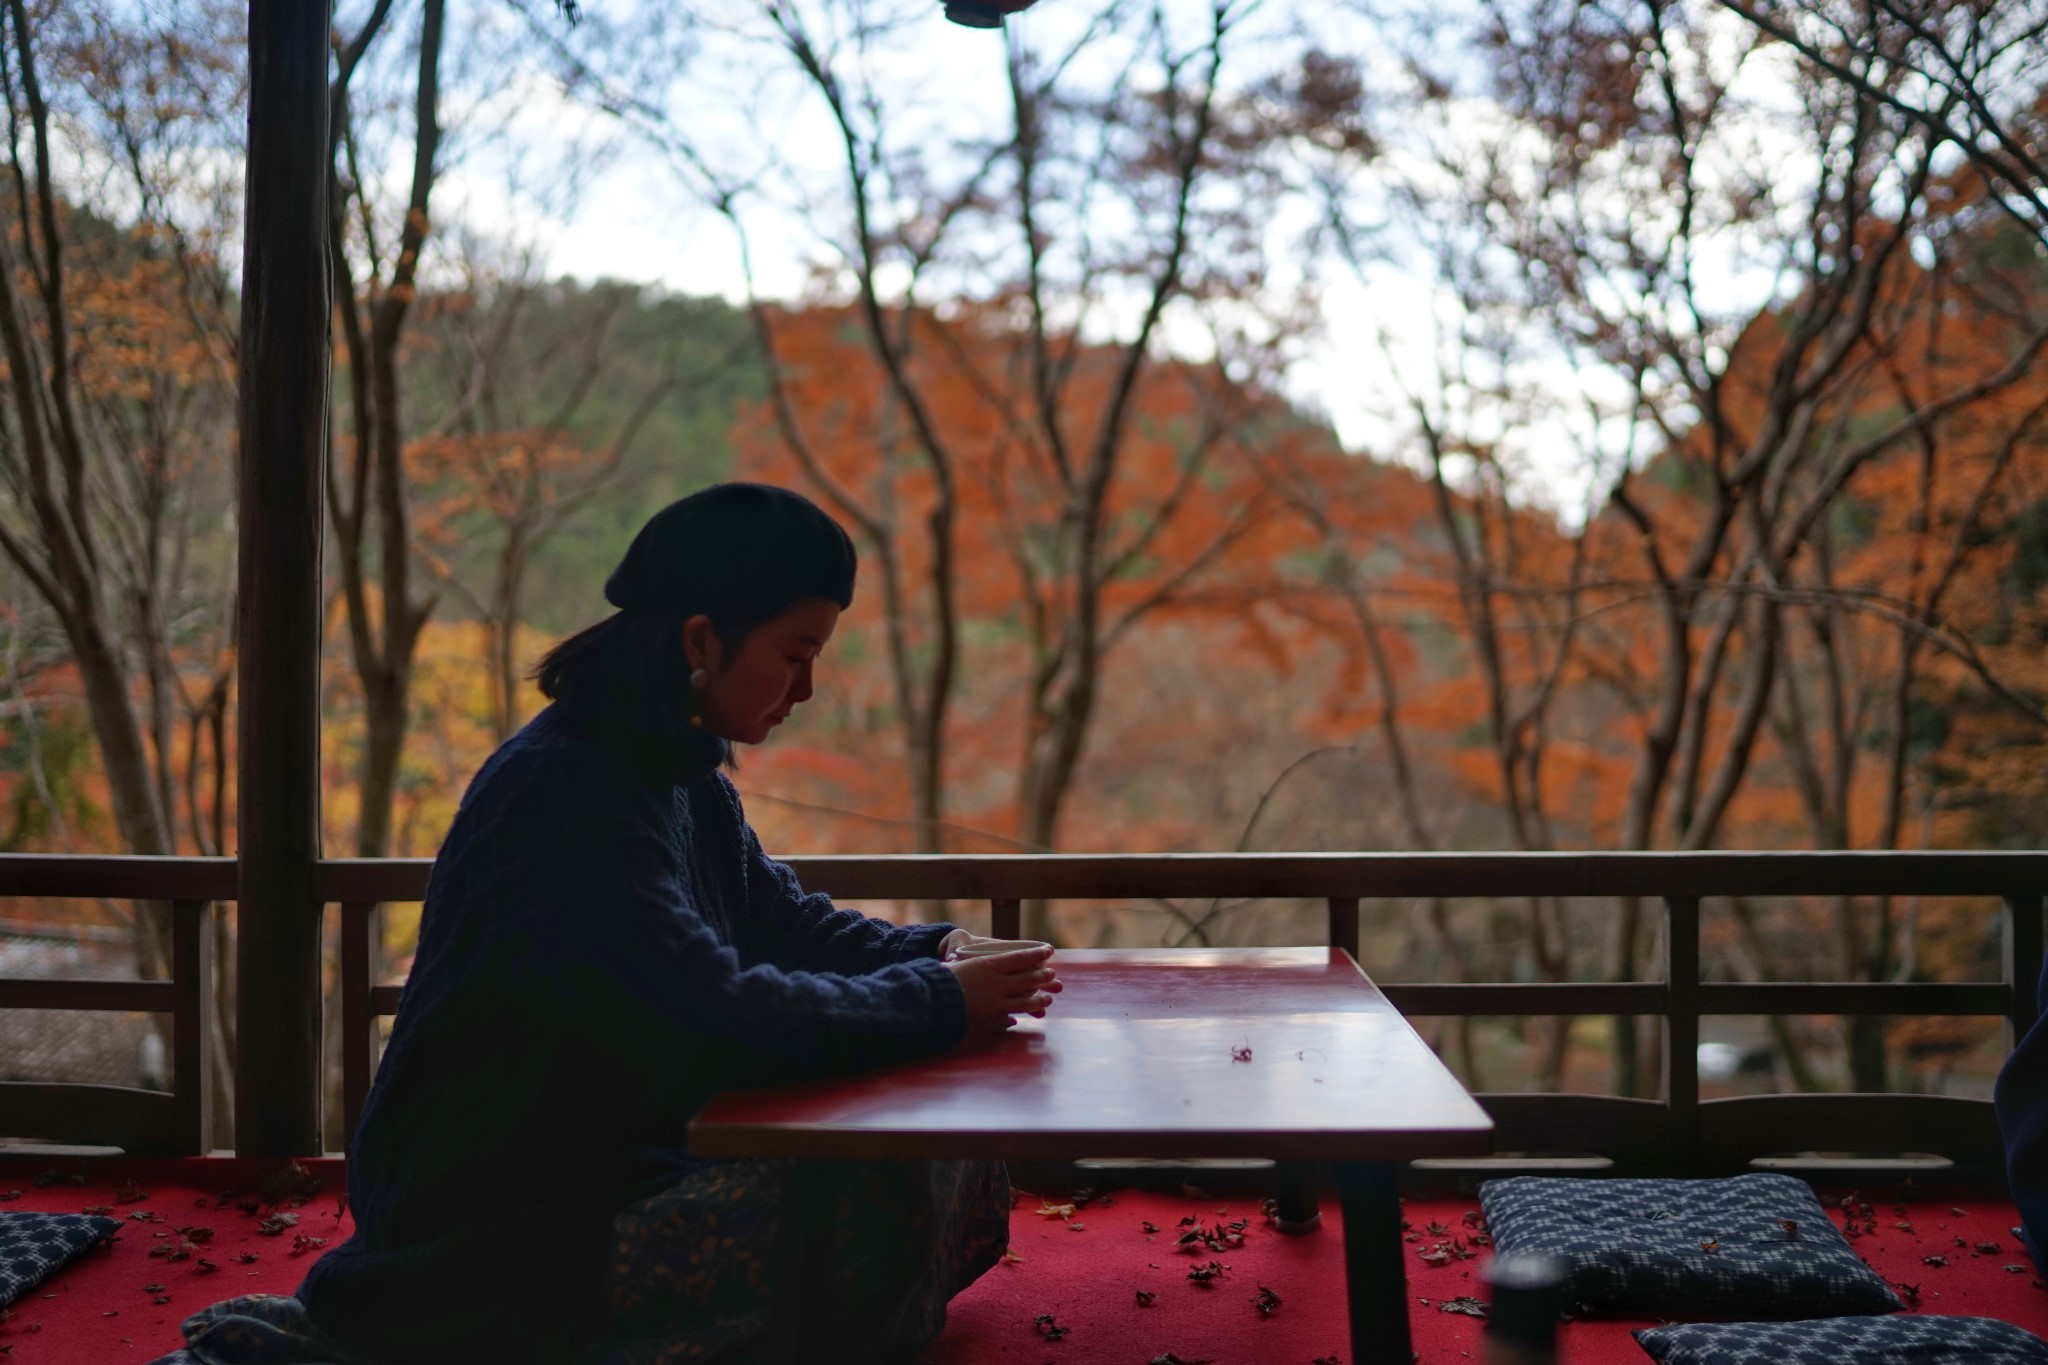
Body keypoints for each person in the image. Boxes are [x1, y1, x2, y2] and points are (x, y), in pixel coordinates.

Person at [152, 482, 1061, 1365]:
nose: (809, 687)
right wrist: (936, 1002)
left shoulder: (676, 766)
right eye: (794, 653)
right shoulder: (569, 788)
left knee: (939, 1138)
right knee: (894, 1174)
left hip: (610, 1155)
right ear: (703, 638)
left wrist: (934, 949)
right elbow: (709, 1014)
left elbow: (782, 919)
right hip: (495, 1218)